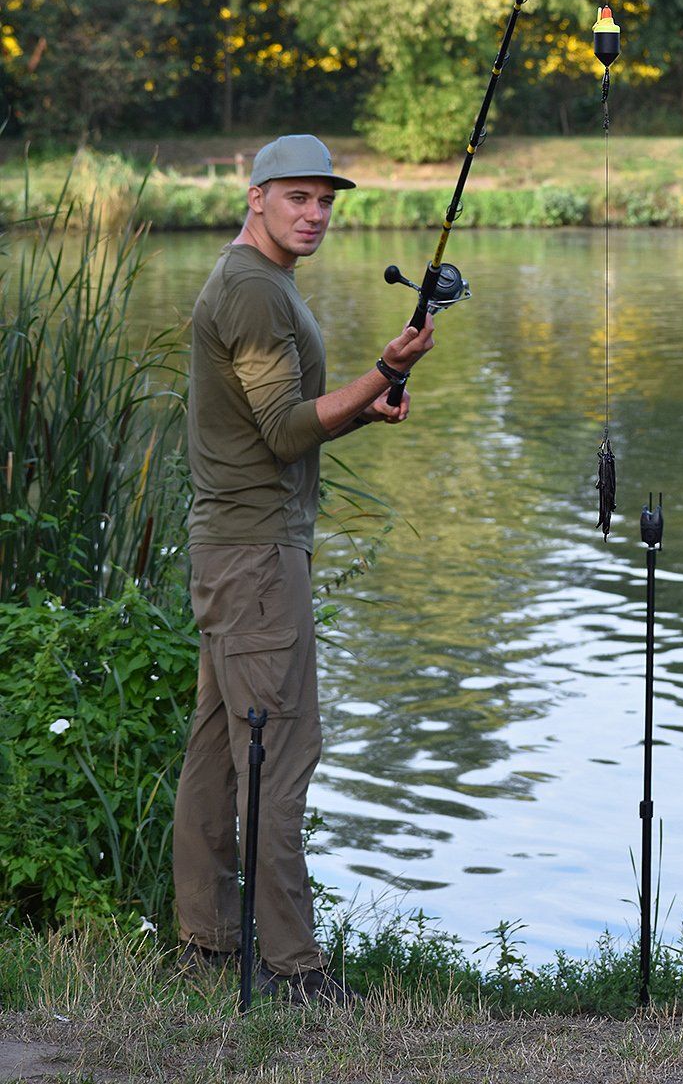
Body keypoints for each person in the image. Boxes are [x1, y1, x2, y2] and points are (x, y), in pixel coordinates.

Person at [172, 133, 434, 1005]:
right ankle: (293, 969)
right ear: (256, 197)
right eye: (297, 197)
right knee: (278, 755)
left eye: (326, 199)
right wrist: (384, 368)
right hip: (255, 558)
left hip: (234, 547)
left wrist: (365, 405)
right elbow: (285, 431)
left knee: (217, 752)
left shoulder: (262, 281)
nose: (315, 213)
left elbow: (277, 429)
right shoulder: (252, 292)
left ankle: (207, 942)